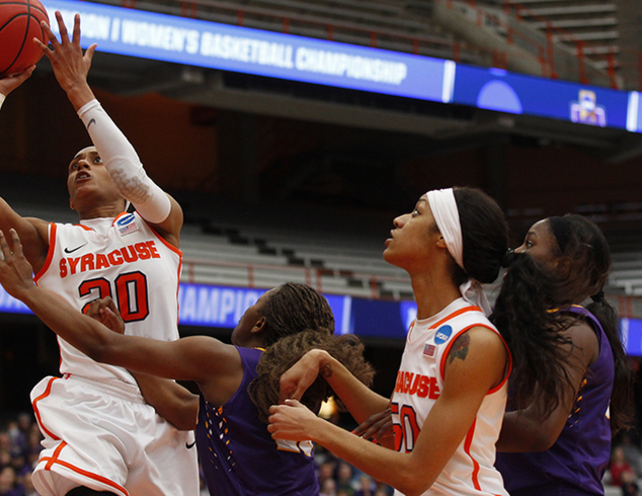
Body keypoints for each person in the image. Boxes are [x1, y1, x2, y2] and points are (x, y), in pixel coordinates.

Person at [0, 10, 196, 496]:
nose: (83, 165)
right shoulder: (53, 240)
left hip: (161, 403)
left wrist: (77, 91)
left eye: (94, 159)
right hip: (90, 398)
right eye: (74, 165)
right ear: (68, 195)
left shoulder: (159, 223)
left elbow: (135, 177)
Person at [0, 227, 376, 496]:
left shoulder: (223, 360)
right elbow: (181, 408)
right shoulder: (286, 383)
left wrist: (26, 290)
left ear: (260, 322)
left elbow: (99, 347)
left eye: (254, 303)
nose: (245, 309)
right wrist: (126, 339)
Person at [267, 187, 514, 495]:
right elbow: (397, 433)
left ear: (444, 239)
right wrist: (324, 362)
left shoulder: (473, 340)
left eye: (416, 212)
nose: (398, 221)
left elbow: (414, 476)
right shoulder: (423, 327)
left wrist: (316, 428)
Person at [494, 214, 635, 495]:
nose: (516, 254)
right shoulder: (535, 327)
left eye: (529, 244)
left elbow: (538, 430)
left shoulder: (573, 331)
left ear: (562, 265)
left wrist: (448, 420)